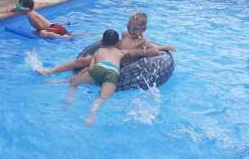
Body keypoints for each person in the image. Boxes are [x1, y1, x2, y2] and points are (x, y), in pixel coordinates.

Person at [68, 29, 164, 125]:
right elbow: (142, 52)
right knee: (101, 98)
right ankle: (91, 115)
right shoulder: (121, 52)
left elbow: (91, 68)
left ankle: (69, 101)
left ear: (102, 42)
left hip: (98, 68)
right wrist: (157, 52)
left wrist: (81, 77)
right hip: (112, 72)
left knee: (73, 84)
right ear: (118, 43)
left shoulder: (98, 51)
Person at [36, 12, 175, 76]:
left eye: (134, 28)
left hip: (121, 64)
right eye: (129, 26)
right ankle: (51, 71)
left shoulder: (142, 41)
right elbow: (116, 46)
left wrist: (163, 47)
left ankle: (69, 79)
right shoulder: (125, 34)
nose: (130, 30)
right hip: (110, 55)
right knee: (81, 61)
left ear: (143, 29)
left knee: (91, 68)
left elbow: (153, 49)